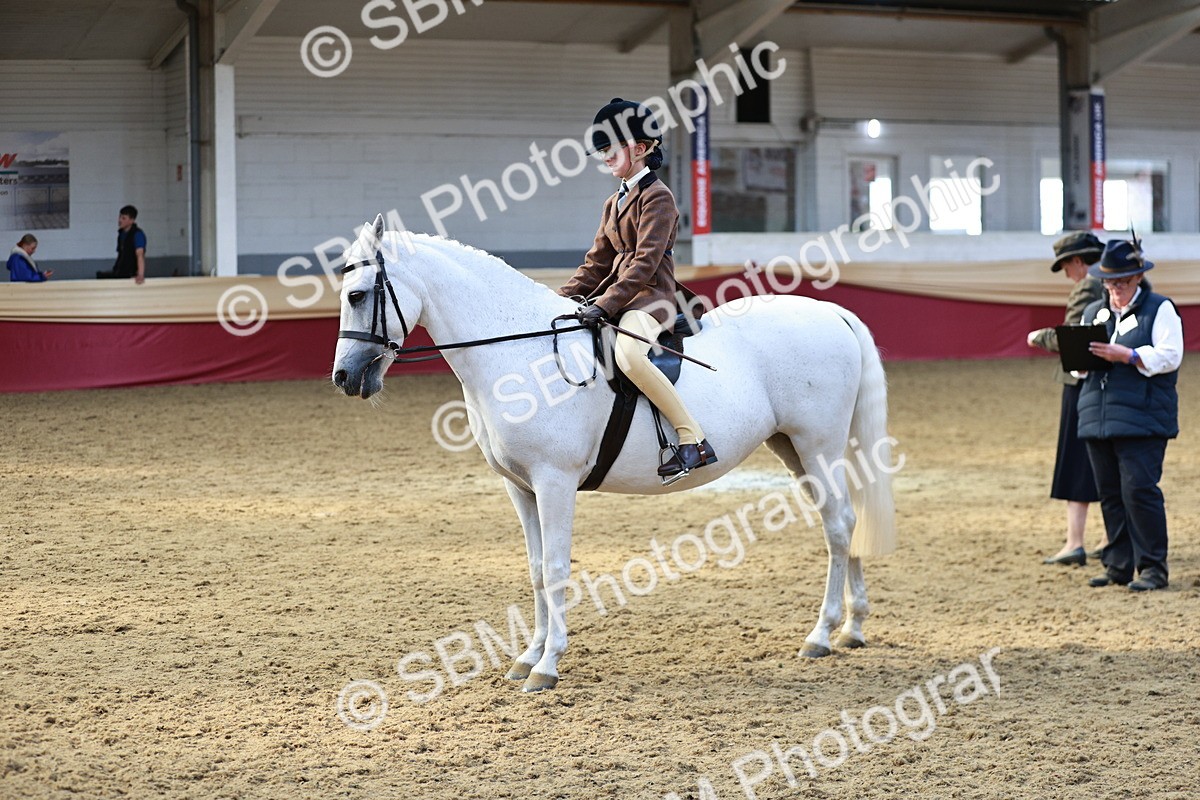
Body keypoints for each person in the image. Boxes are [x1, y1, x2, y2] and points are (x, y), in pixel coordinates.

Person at [559, 98, 717, 480]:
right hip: (617, 298)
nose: (604, 155)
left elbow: (644, 263)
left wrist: (606, 302)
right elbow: (597, 263)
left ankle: (691, 438)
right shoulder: (612, 202)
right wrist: (558, 299)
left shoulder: (658, 197)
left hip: (651, 298)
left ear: (642, 149)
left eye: (611, 148)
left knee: (629, 354)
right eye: (602, 149)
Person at [1078, 237, 1183, 592]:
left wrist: (1130, 356)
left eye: (1121, 283)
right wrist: (1073, 356)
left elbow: (1171, 355)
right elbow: (1079, 368)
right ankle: (1118, 565)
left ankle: (1153, 567)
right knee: (1109, 493)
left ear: (1138, 278)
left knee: (1139, 490)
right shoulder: (1093, 312)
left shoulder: (1160, 308)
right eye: (1109, 283)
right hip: (1098, 415)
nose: (1114, 290)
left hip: (1143, 417)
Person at [1026, 232, 1105, 566]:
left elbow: (1072, 338)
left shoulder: (1087, 286)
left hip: (1080, 384)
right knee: (1107, 460)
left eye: (1066, 266)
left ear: (1077, 261)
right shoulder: (1124, 282)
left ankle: (1075, 541)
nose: (1068, 274)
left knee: (1075, 460)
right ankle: (1110, 536)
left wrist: (1038, 337)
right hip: (1108, 385)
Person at [96, 205, 147, 283]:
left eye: (123, 218)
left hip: (130, 274)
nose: (120, 220)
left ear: (132, 220)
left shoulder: (137, 234)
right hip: (120, 272)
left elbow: (140, 255)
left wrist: (140, 275)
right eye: (120, 217)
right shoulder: (121, 234)